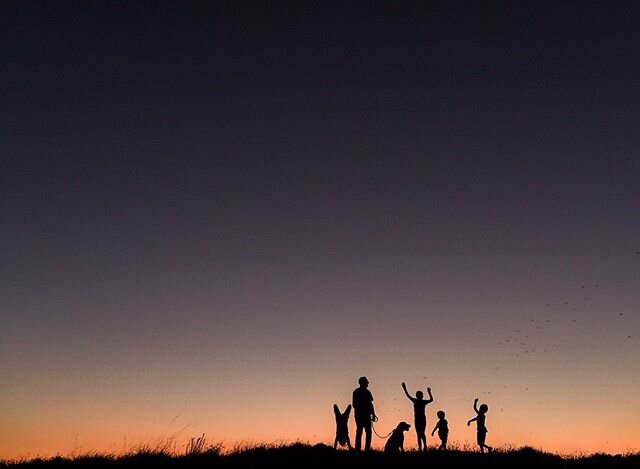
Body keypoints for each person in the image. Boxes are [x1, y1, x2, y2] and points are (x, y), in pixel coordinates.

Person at [401, 382, 433, 451]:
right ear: (422, 396)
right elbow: (431, 400)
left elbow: (408, 395)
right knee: (421, 433)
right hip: (421, 419)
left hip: (419, 419)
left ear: (417, 396)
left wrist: (404, 388)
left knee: (419, 434)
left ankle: (422, 447)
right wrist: (429, 392)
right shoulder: (421, 402)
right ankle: (423, 447)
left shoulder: (416, 401)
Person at [352, 376, 377, 451]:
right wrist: (372, 413)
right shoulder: (366, 392)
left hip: (360, 415)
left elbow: (355, 405)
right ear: (363, 383)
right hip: (363, 415)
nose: (368, 383)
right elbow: (369, 404)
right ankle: (366, 449)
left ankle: (358, 449)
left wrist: (373, 414)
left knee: (360, 432)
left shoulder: (357, 391)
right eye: (367, 381)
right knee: (366, 432)